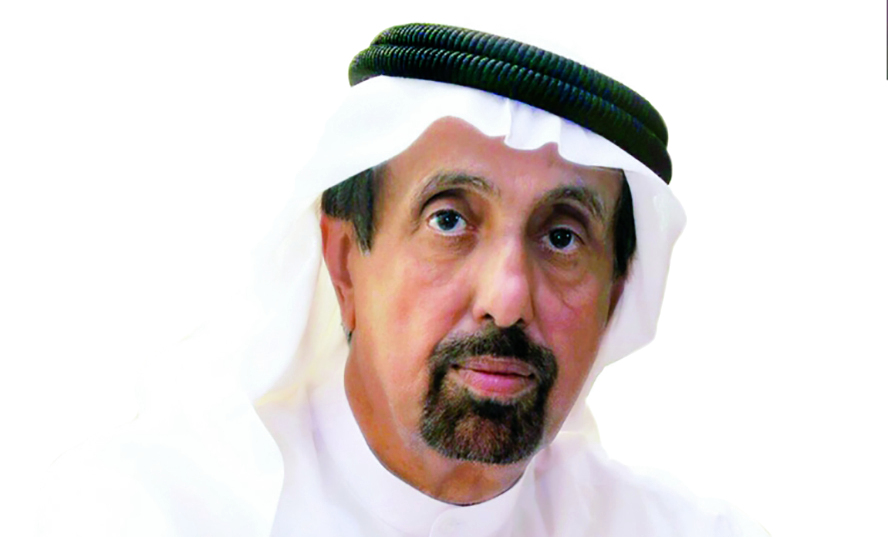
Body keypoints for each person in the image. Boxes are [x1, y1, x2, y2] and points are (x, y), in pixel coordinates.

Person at [37, 23, 767, 537]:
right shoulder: (144, 513)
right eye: (449, 220)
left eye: (562, 236)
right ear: (344, 262)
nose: (508, 298)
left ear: (615, 296)